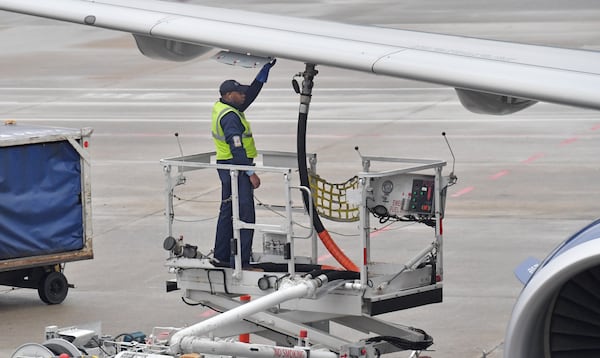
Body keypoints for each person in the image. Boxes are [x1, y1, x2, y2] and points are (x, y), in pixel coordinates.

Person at [211, 59, 276, 267]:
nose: (244, 95)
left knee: (228, 210)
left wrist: (261, 77)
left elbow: (250, 95)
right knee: (245, 213)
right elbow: (237, 148)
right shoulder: (230, 117)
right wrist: (250, 173)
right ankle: (241, 258)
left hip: (228, 166)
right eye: (240, 93)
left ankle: (222, 255)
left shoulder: (224, 107)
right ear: (230, 95)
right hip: (236, 168)